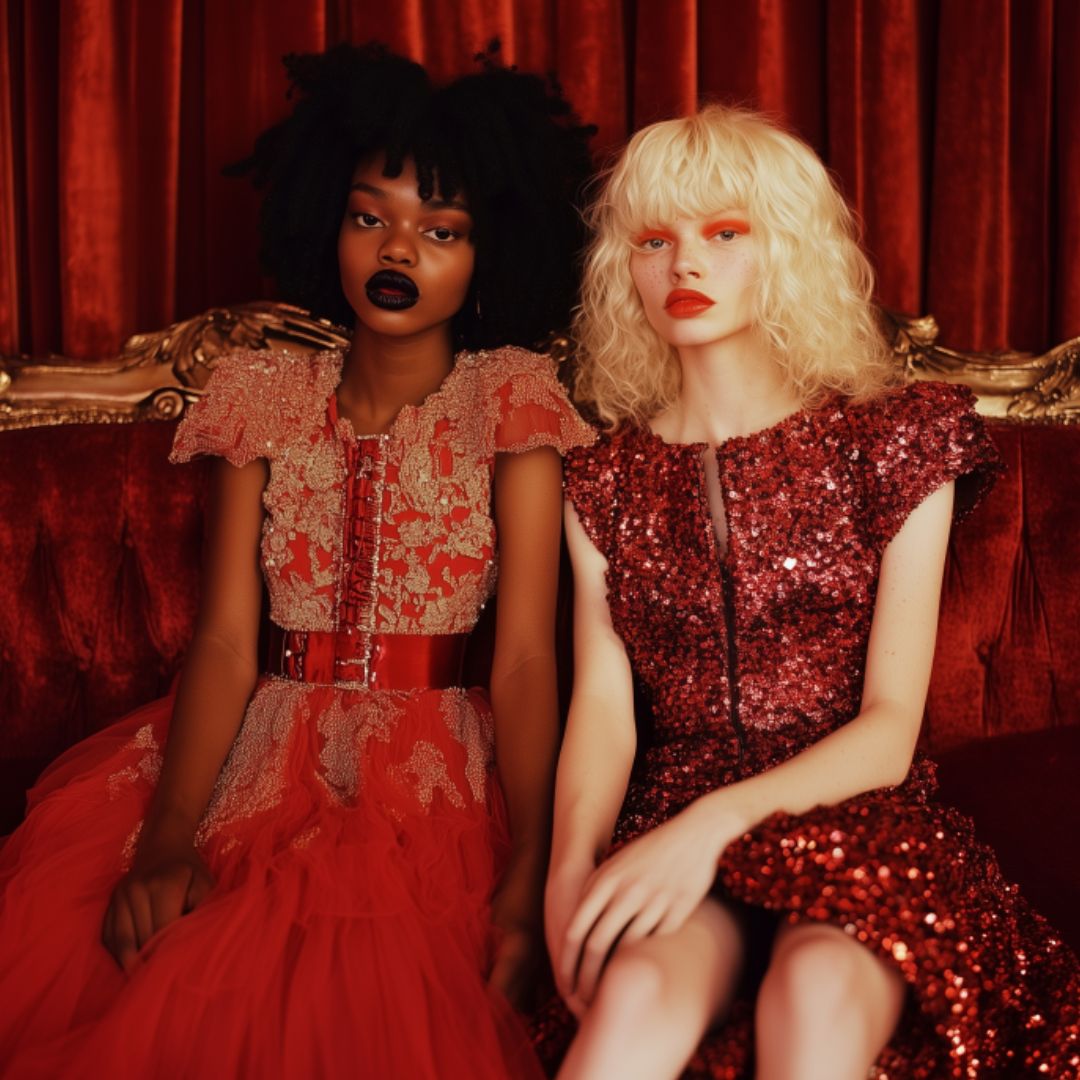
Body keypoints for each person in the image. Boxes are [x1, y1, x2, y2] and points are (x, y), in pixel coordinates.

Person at [0, 43, 595, 1079]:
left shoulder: (510, 401)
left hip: (437, 787)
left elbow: (526, 659)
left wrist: (535, 863)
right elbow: (228, 641)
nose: (396, 248)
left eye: (441, 230)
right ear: (327, 219)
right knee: (137, 952)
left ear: (490, 251)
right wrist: (168, 836)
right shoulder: (260, 396)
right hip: (257, 756)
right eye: (369, 217)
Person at [540, 105, 1079, 1079]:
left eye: (724, 233)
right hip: (670, 828)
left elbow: (890, 727)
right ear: (624, 267)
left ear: (784, 248)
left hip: (855, 813)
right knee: (634, 998)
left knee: (817, 989)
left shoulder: (894, 439)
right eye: (654, 241)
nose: (684, 264)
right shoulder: (600, 482)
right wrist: (568, 873)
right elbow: (604, 711)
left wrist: (714, 823)